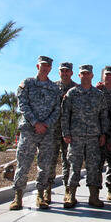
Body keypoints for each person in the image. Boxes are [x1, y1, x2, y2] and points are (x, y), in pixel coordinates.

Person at [10, 56, 60, 210]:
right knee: (23, 163)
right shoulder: (27, 83)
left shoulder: (54, 88)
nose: (45, 68)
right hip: (29, 129)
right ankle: (18, 197)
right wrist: (35, 123)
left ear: (51, 68)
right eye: (43, 65)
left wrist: (45, 124)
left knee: (44, 165)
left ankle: (40, 195)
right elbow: (22, 104)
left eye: (48, 66)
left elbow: (57, 109)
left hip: (47, 131)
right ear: (38, 66)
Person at [61, 64, 109, 209]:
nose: (86, 75)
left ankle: (93, 197)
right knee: (74, 166)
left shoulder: (98, 95)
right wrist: (66, 133)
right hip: (75, 137)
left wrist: (103, 133)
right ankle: (71, 195)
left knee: (93, 167)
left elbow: (104, 116)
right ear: (79, 75)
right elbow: (65, 115)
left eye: (88, 73)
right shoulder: (72, 93)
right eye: (83, 73)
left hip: (93, 137)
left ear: (92, 76)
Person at [46, 62, 78, 205]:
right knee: (50, 161)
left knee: (68, 161)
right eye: (62, 71)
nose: (64, 73)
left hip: (69, 131)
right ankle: (47, 191)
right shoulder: (52, 87)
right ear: (59, 72)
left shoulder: (77, 88)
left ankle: (68, 191)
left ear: (71, 73)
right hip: (53, 129)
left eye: (67, 71)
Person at [96, 66, 111, 202]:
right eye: (106, 75)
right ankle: (94, 193)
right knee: (97, 163)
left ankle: (110, 190)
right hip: (99, 133)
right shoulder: (97, 91)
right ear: (103, 76)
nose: (108, 77)